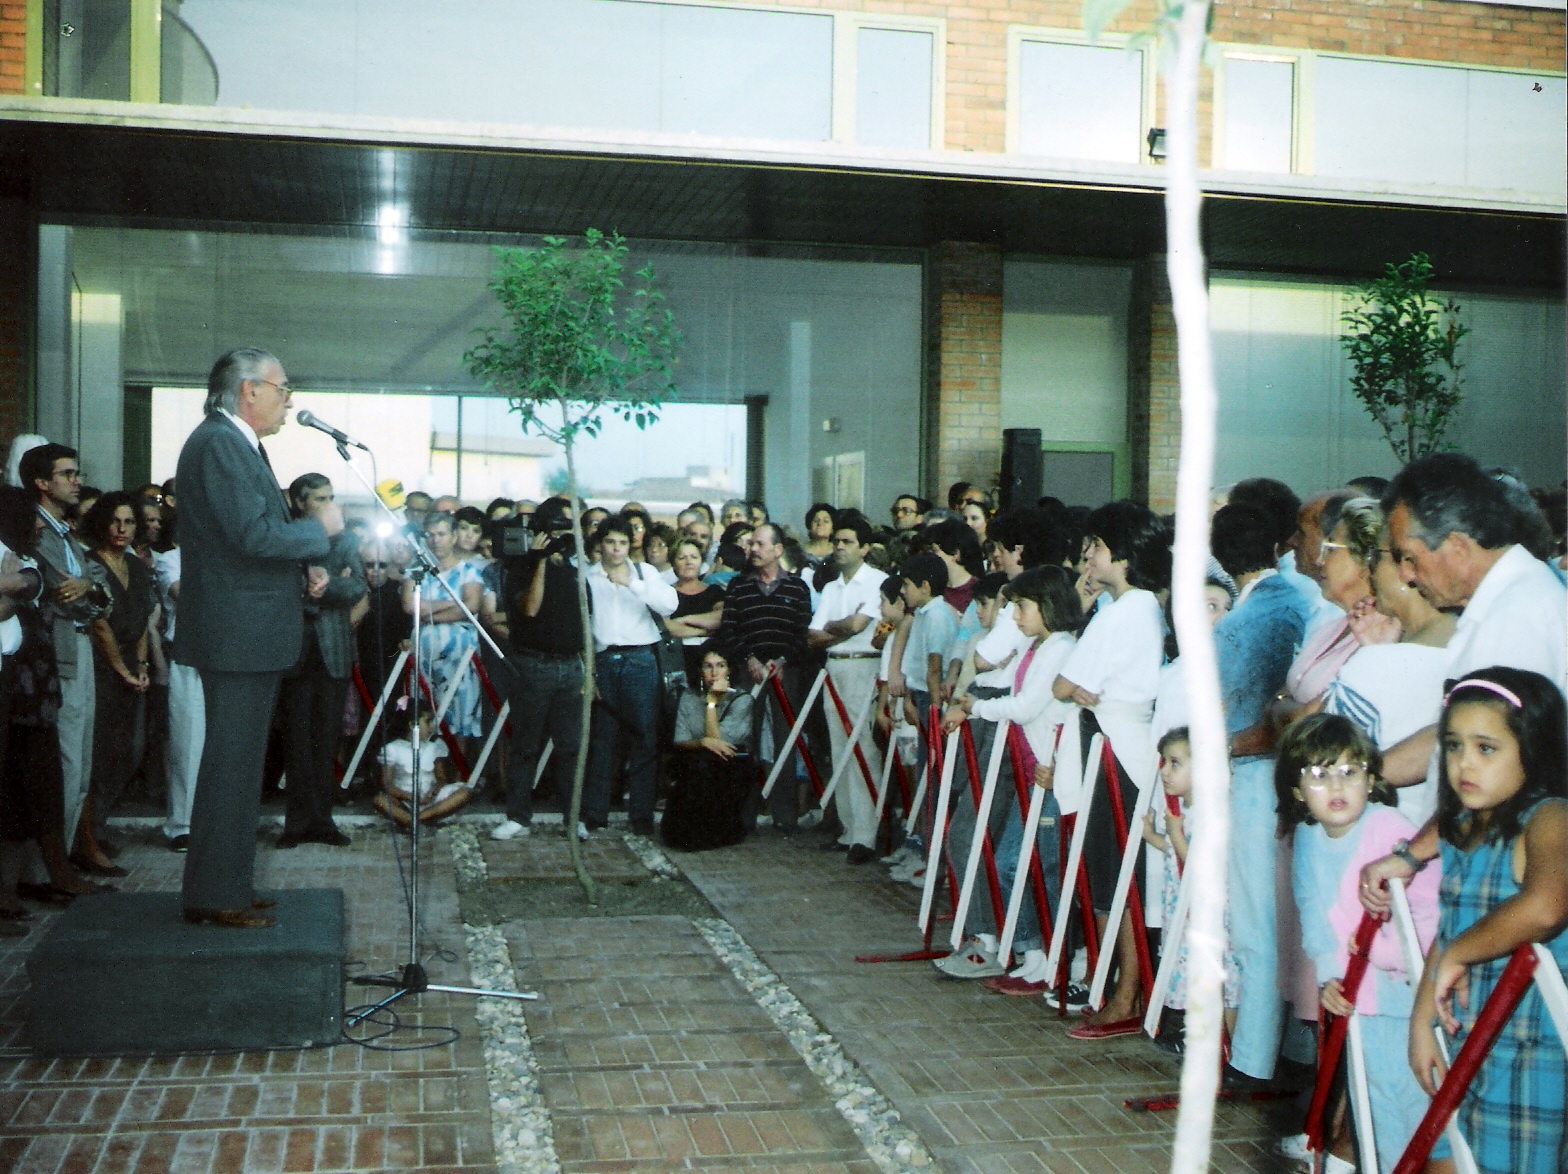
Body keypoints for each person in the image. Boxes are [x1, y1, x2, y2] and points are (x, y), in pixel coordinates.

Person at [175, 348, 341, 929]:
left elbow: (241, 541)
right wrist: (315, 533)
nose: (287, 398)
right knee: (233, 764)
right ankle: (219, 895)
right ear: (249, 390)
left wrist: (303, 568)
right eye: (282, 387)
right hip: (237, 633)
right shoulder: (221, 443)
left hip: (245, 629)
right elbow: (251, 535)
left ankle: (226, 885)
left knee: (239, 765)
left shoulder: (233, 442)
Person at [1406, 669, 1567, 1174]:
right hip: (1466, 1042)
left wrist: (1458, 953)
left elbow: (1545, 907)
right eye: (1453, 746)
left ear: (1533, 751)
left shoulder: (1550, 819)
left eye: (1486, 748)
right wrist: (1420, 1023)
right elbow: (1451, 929)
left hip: (1530, 1055)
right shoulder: (1464, 829)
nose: (1463, 765)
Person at [1275, 714, 1442, 1173]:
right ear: (1296, 792)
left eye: (1349, 772)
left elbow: (1429, 911)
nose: (1337, 786)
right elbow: (1314, 911)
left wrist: (1379, 951)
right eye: (1319, 775)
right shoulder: (1308, 839)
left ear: (1371, 780)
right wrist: (1331, 971)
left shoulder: (1389, 829)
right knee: (1375, 1104)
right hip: (1361, 999)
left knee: (1405, 1109)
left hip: (1406, 996)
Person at [1051, 501, 1170, 1038]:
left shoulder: (1123, 610)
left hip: (1116, 748)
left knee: (1117, 874)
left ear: (1122, 554)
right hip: (1116, 741)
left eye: (1095, 549)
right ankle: (1119, 985)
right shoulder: (1135, 606)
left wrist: (1075, 688)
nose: (1087, 559)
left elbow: (1061, 684)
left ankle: (1127, 993)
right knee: (1113, 872)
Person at [1207, 501, 1311, 1077]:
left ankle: (1252, 1060)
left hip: (1255, 774)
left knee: (1254, 923)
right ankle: (1288, 1047)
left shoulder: (1256, 615)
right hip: (1268, 773)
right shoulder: (1289, 600)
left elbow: (1253, 709)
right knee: (1277, 918)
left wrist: (1218, 747)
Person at [940, 565, 1080, 985]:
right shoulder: (1037, 646)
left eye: (1021, 607)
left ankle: (1063, 955)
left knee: (1042, 867)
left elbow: (1025, 706)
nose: (1014, 617)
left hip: (1051, 776)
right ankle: (1031, 948)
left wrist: (974, 708)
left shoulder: (1061, 647)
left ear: (1049, 606)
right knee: (1010, 864)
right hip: (1030, 775)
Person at [18, 443, 110, 888]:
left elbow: (98, 591)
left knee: (80, 760)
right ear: (42, 482)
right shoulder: (36, 529)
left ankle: (62, 863)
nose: (76, 481)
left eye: (76, 472)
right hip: (57, 656)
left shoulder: (68, 533)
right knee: (64, 761)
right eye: (67, 474)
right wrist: (85, 589)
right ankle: (44, 872)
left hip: (80, 647)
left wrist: (88, 588)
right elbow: (58, 589)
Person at [491, 497, 587, 842]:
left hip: (570, 666)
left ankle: (572, 817)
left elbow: (586, 624)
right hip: (533, 666)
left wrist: (587, 671)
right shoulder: (520, 567)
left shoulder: (577, 571)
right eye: (560, 526)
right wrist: (540, 561)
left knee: (570, 747)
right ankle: (518, 817)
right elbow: (530, 608)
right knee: (526, 746)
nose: (566, 533)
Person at [278, 474, 365, 849]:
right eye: (319, 499)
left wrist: (326, 585)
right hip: (294, 651)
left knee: (326, 741)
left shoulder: (344, 539)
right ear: (300, 503)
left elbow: (358, 585)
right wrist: (305, 588)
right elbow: (280, 586)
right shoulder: (285, 536)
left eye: (331, 497)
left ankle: (324, 821)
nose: (328, 505)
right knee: (296, 740)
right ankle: (296, 824)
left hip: (332, 651)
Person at [715, 522, 814, 834]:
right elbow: (729, 628)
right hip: (749, 671)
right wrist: (750, 659)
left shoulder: (797, 588)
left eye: (759, 544)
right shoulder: (739, 586)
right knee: (746, 739)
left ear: (778, 550)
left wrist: (783, 660)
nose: (753, 550)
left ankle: (785, 816)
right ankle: (743, 816)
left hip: (787, 671)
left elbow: (804, 633)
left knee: (785, 741)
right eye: (751, 544)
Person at [1143, 728, 1240, 1042]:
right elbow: (1176, 853)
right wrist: (1154, 837)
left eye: (1175, 763)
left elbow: (1198, 865)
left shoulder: (1210, 814)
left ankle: (1226, 1046)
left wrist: (1173, 833)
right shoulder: (1185, 813)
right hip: (1184, 913)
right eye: (1164, 762)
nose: (1165, 771)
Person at [583, 515, 678, 836]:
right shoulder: (588, 576)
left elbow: (670, 604)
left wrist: (633, 584)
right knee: (603, 740)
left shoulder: (644, 572)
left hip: (640, 659)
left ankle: (641, 815)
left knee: (644, 738)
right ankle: (595, 813)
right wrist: (590, 673)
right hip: (605, 659)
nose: (615, 549)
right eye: (610, 542)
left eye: (622, 543)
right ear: (600, 544)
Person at [77, 492, 154, 876]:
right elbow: (98, 622)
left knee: (128, 752)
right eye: (115, 521)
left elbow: (140, 619)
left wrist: (140, 665)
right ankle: (86, 839)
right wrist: (122, 670)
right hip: (99, 668)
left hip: (129, 667)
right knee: (97, 754)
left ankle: (97, 827)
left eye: (129, 522)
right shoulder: (91, 564)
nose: (122, 529)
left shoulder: (137, 568)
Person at [807, 514, 886, 862]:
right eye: (837, 541)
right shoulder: (831, 587)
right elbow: (813, 636)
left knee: (863, 748)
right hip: (834, 666)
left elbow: (859, 624)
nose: (839, 547)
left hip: (864, 665)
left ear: (865, 548)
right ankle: (848, 829)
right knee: (839, 747)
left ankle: (867, 836)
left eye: (848, 541)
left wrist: (836, 628)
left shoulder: (879, 582)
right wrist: (841, 628)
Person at [403, 511, 485, 754]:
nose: (436, 540)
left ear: (453, 536)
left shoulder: (468, 571)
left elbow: (470, 607)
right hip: (426, 658)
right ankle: (427, 772)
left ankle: (455, 777)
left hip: (459, 657)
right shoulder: (416, 571)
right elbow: (410, 607)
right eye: (431, 535)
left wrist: (427, 610)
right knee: (425, 712)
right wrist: (453, 601)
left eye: (441, 534)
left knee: (459, 712)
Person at [661, 648, 755, 851]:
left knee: (706, 765)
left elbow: (719, 744)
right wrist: (702, 742)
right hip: (696, 758)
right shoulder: (690, 696)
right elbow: (681, 739)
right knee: (690, 766)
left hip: (729, 763)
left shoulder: (742, 700)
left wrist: (711, 703)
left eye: (720, 666)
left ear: (729, 670)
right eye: (708, 666)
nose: (714, 673)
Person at [664, 536, 725, 687]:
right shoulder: (666, 592)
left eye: (694, 557)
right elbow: (668, 627)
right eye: (682, 557)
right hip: (678, 659)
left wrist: (685, 620)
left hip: (711, 662)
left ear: (701, 561)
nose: (689, 562)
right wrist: (703, 632)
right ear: (673, 563)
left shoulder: (714, 590)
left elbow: (719, 618)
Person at [802, 503, 835, 567]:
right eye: (816, 520)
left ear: (832, 529)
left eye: (826, 521)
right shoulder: (801, 551)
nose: (820, 523)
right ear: (809, 526)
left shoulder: (837, 551)